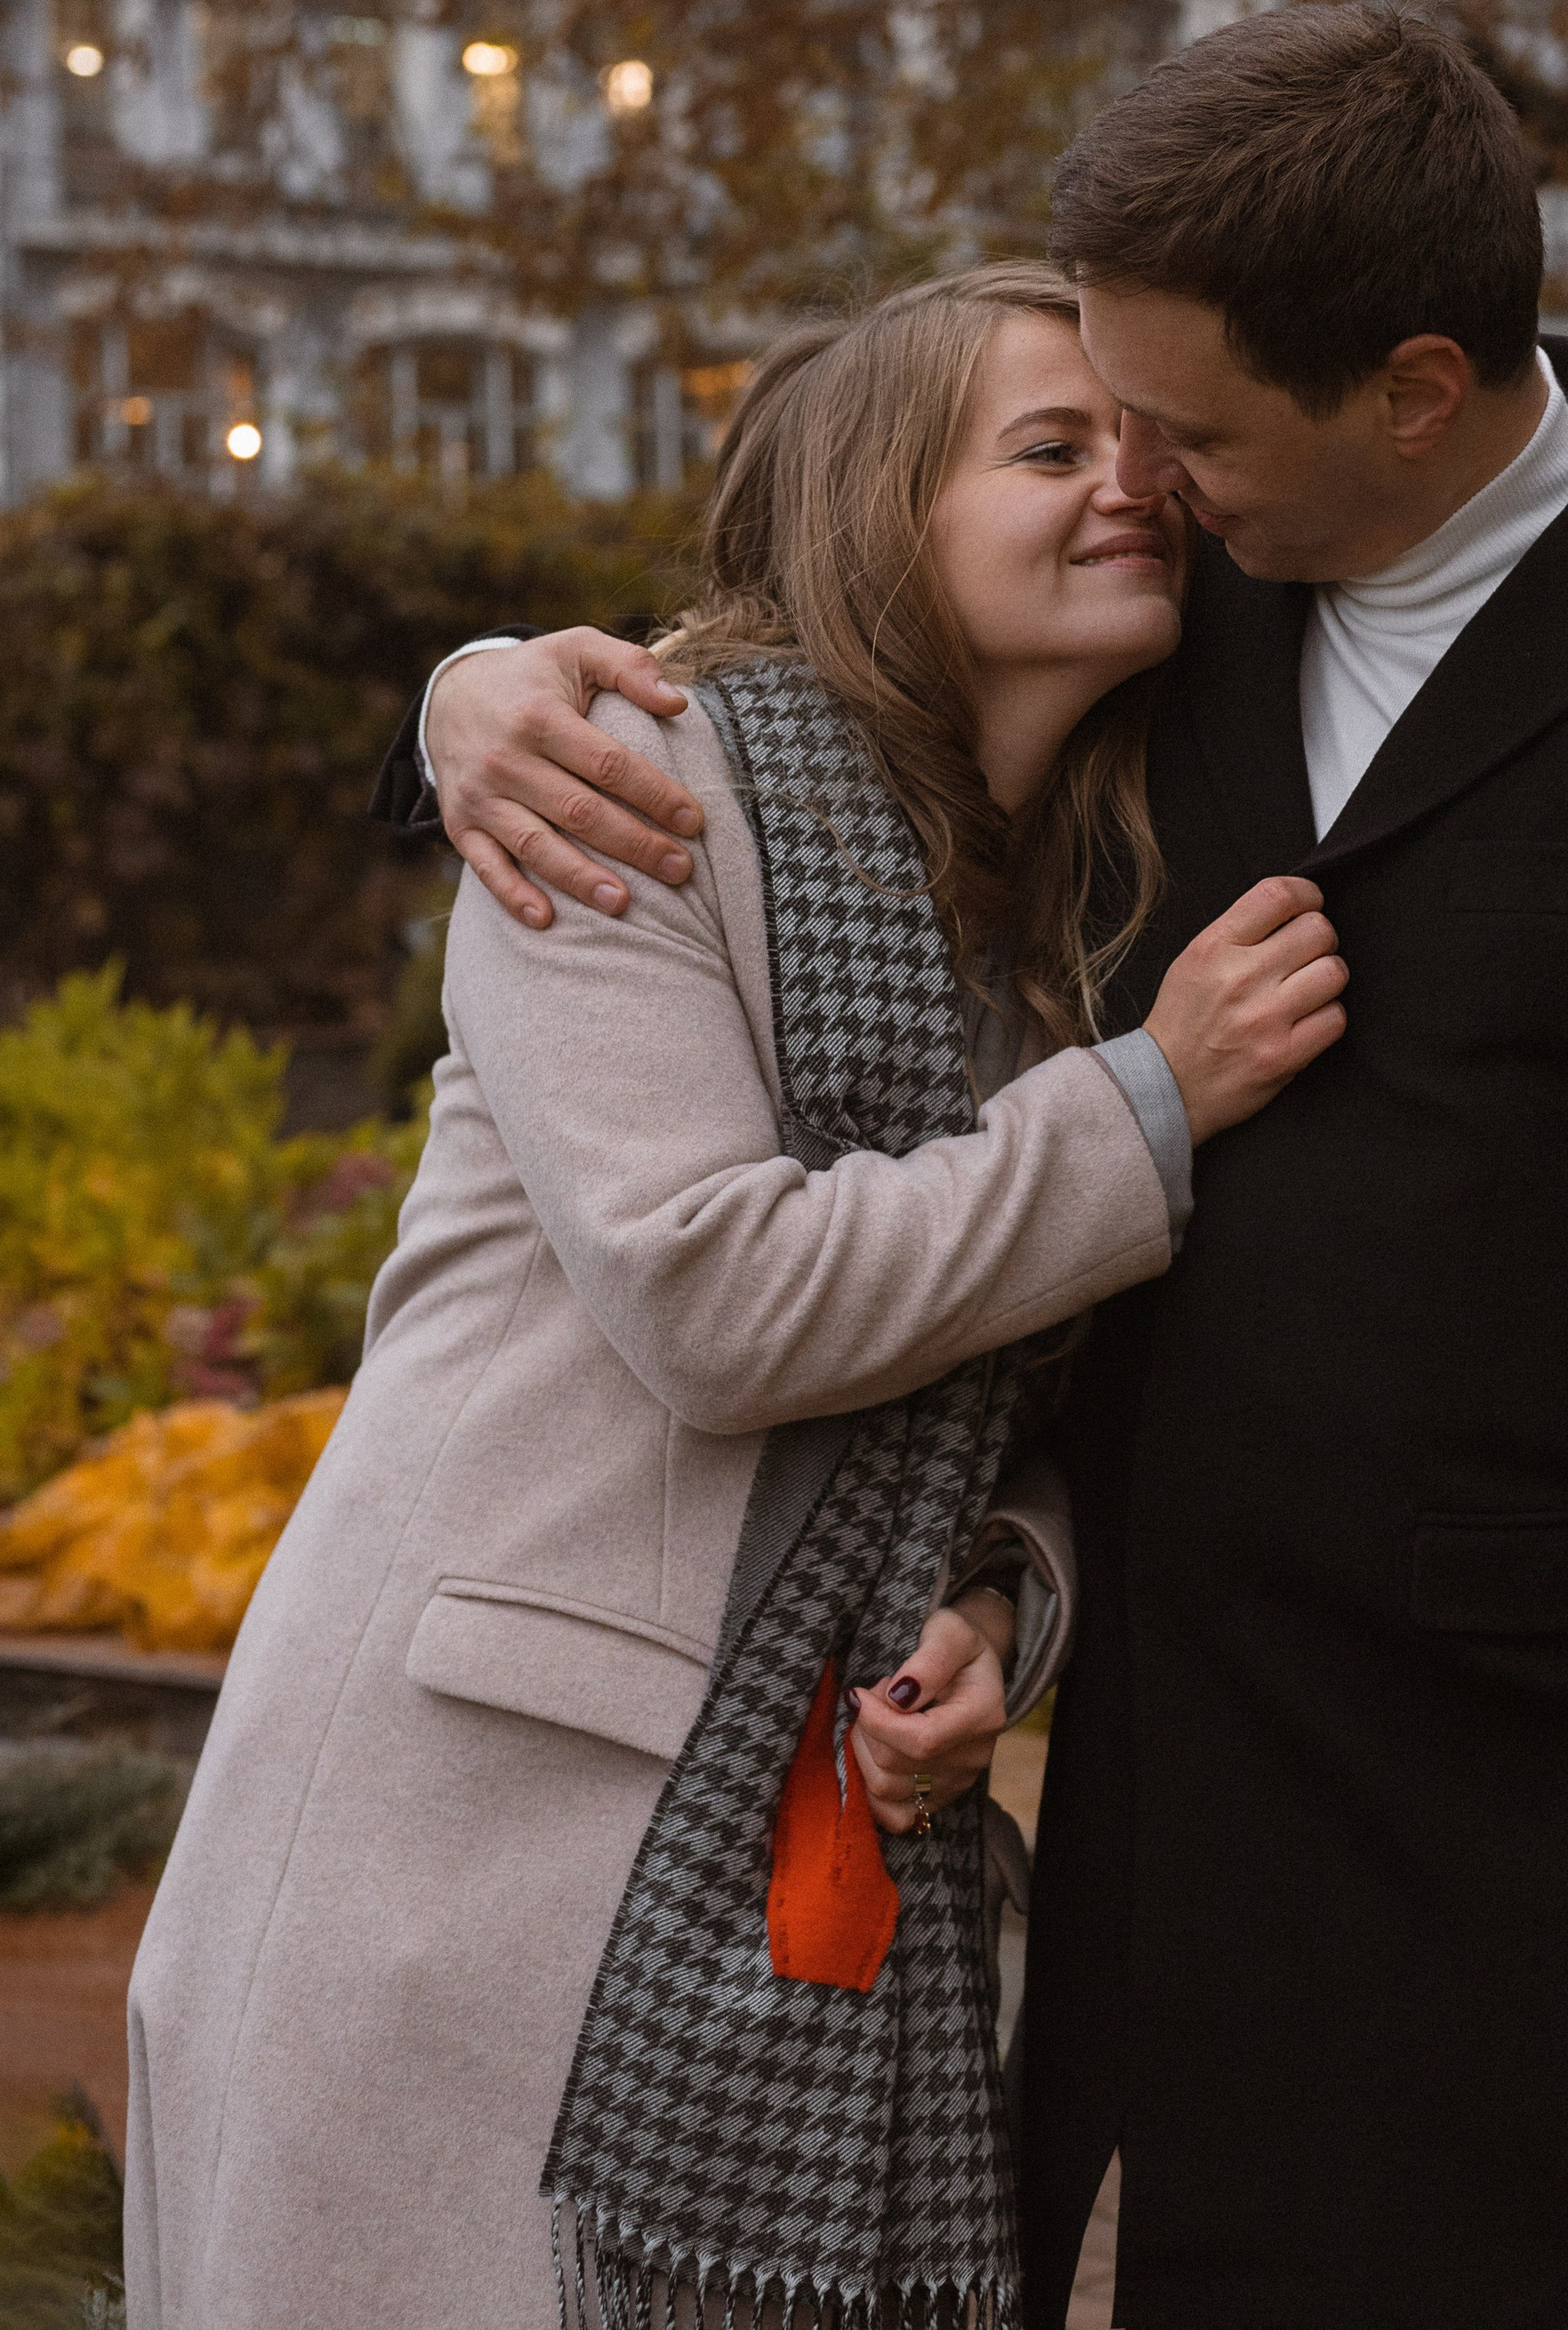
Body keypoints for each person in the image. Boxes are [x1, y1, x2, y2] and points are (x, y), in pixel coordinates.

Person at [406, 3, 1568, 2330]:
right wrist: (461, 706)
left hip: (1552, 1844)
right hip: (1174, 1816)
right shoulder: (1178, 610)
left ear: (1415, 388)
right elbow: (809, 686)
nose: (1140, 475)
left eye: (1188, 427)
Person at [125, 262, 1347, 2330]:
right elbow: (717, 1297)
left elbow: (1016, 1400)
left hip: (789, 1863)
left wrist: (988, 1601)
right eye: (1048, 449)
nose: (1124, 487)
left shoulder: (1064, 922)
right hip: (470, 1846)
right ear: (883, 512)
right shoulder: (634, 797)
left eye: (1143, 450)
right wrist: (1147, 1109)